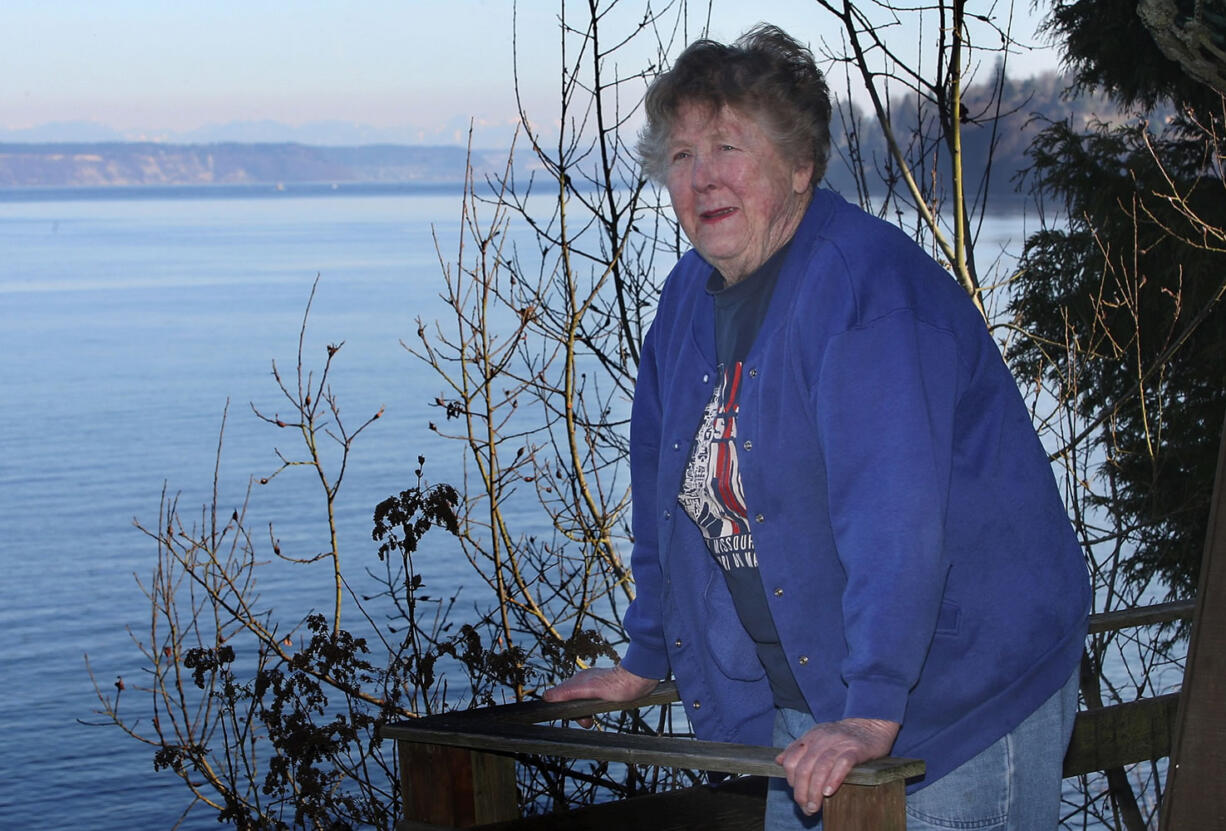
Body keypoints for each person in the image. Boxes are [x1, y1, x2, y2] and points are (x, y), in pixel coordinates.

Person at [545, 24, 1090, 830]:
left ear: (800, 165)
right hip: (816, 699)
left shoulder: (863, 291)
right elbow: (666, 501)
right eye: (683, 155)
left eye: (728, 146)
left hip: (954, 697)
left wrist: (871, 712)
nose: (702, 177)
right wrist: (646, 653)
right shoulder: (685, 303)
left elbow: (893, 519)